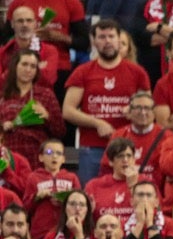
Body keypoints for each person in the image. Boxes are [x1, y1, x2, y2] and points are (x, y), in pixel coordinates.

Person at [62, 17, 149, 182]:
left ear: (119, 39)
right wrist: (97, 123)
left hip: (128, 147)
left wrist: (134, 112)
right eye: (102, 37)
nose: (107, 41)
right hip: (92, 146)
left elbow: (149, 108)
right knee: (90, 195)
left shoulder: (137, 72)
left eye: (111, 36)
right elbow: (68, 110)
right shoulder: (83, 71)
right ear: (94, 41)